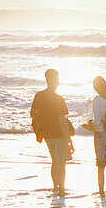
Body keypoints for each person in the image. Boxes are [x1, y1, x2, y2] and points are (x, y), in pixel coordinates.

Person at [30, 68, 74, 196]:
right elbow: (62, 121)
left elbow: (33, 113)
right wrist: (68, 138)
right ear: (54, 80)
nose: (58, 81)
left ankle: (55, 187)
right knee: (61, 163)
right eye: (58, 79)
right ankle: (61, 190)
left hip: (46, 134)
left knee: (54, 161)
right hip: (59, 134)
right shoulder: (58, 99)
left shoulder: (39, 96)